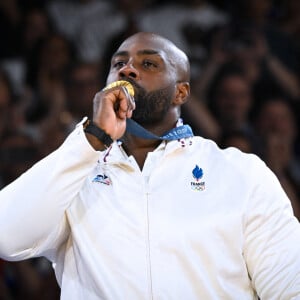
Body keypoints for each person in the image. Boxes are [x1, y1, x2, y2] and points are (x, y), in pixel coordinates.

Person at [0, 32, 299, 299]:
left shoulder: (239, 172)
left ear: (180, 92)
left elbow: (290, 284)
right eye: (118, 64)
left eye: (149, 64)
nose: (127, 69)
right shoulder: (74, 170)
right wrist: (92, 140)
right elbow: (7, 237)